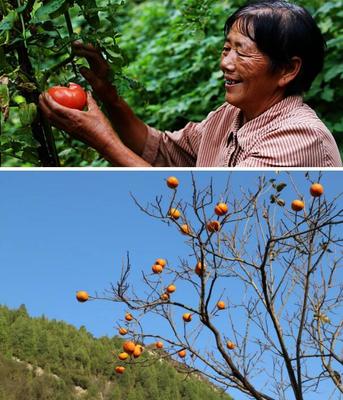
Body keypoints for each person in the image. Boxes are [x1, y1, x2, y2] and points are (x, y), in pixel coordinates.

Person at [39, 0, 342, 167]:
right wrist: (110, 97)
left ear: (288, 69)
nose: (225, 63)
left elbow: (211, 218)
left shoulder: (299, 138)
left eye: (242, 52)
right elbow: (160, 151)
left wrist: (102, 140)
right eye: (226, 49)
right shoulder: (228, 116)